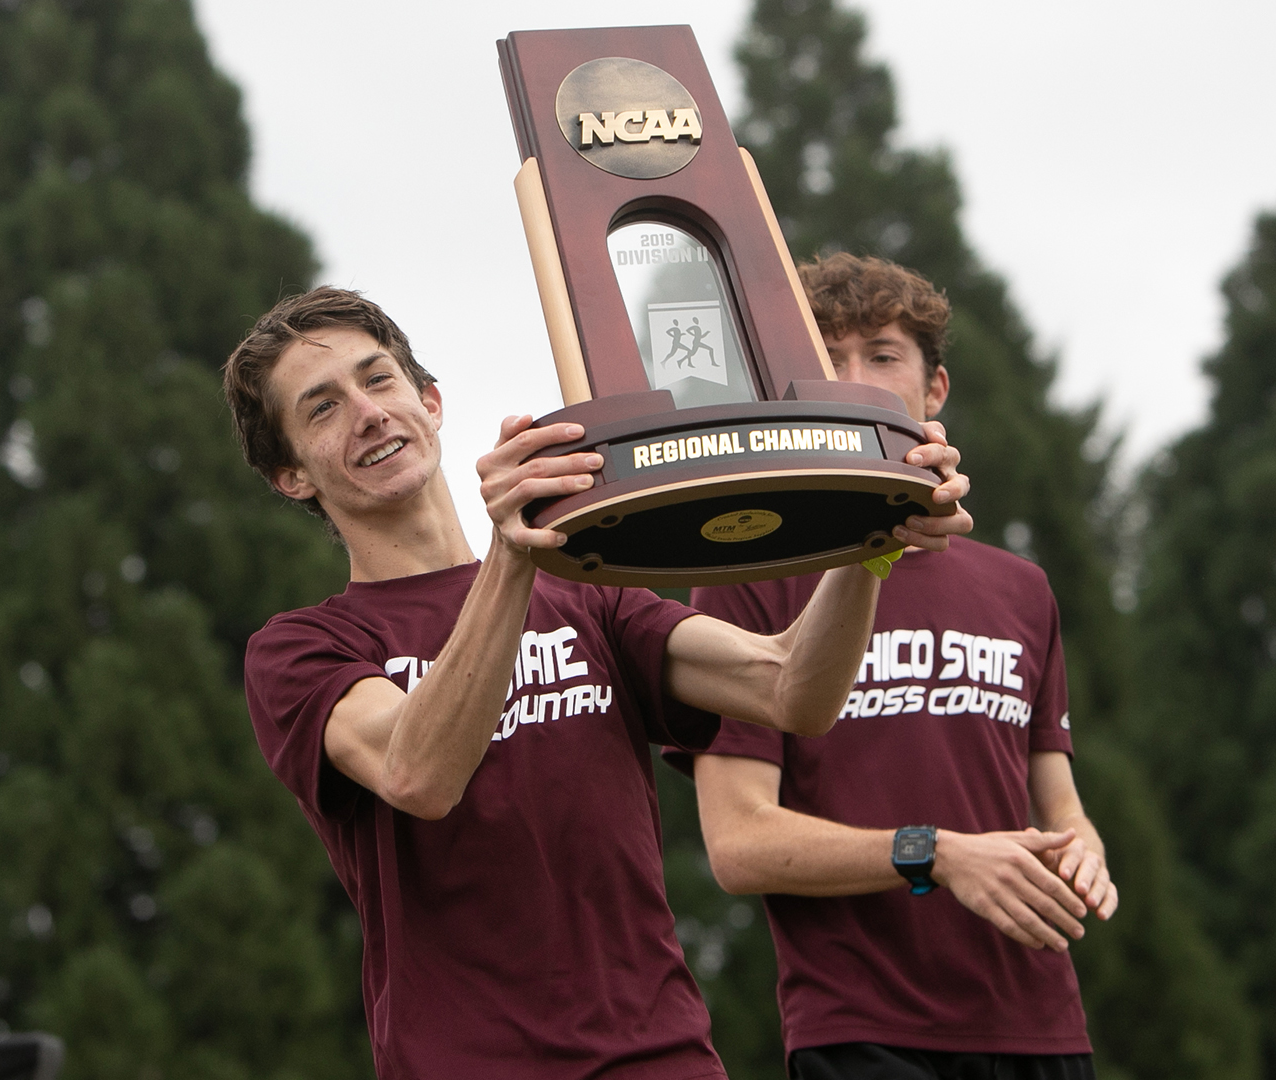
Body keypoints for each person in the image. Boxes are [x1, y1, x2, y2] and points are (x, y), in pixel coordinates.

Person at [223, 287, 972, 1079]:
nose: (368, 413)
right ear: (290, 477)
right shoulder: (302, 650)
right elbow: (419, 772)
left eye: (378, 381)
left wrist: (872, 543)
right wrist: (514, 558)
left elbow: (792, 689)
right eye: (322, 409)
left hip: (663, 1057)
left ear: (431, 402)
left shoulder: (586, 593)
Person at [671, 254, 1116, 1080]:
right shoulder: (749, 580)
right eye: (826, 357)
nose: (855, 379)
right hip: (863, 1034)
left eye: (880, 355)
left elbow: (1063, 808)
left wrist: (1083, 852)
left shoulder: (1022, 589)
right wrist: (934, 853)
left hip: (1044, 1031)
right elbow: (739, 845)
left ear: (934, 388)